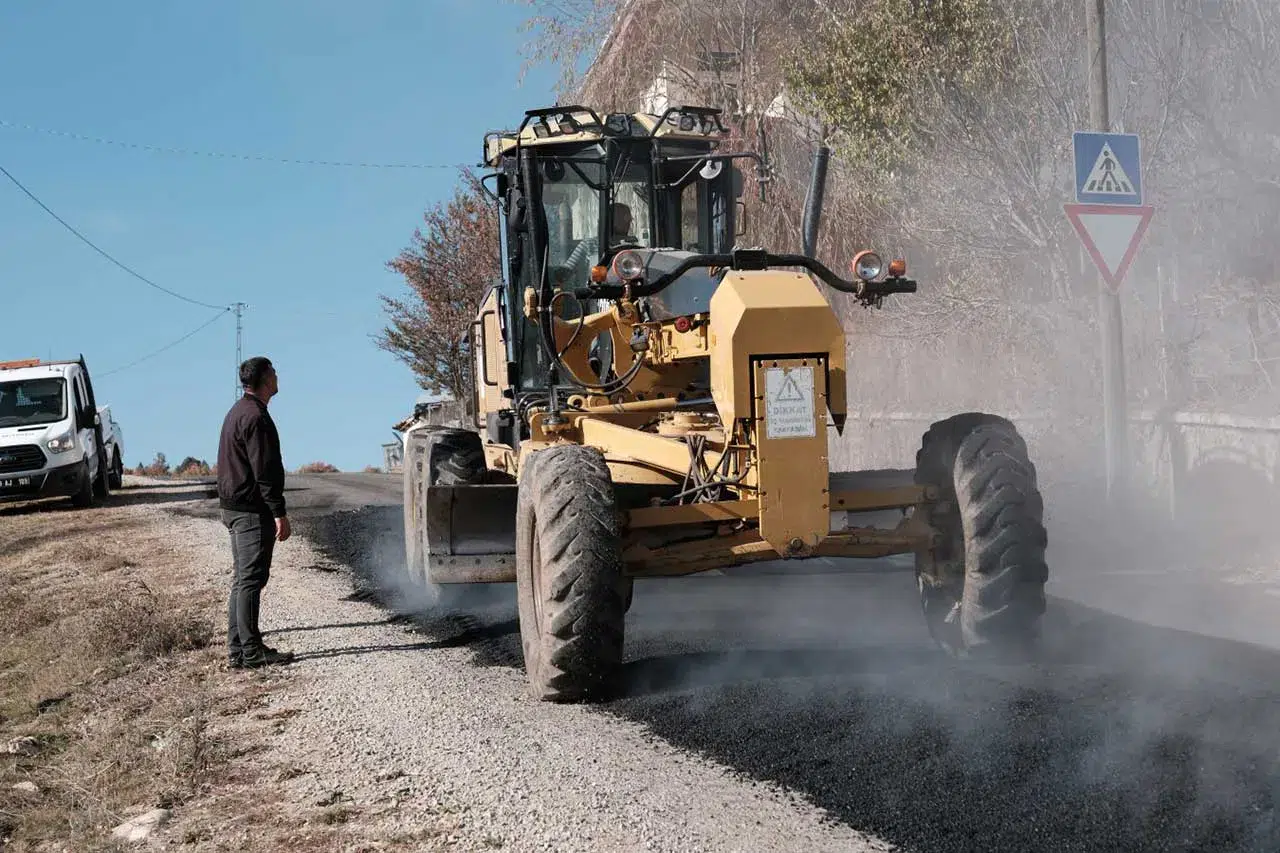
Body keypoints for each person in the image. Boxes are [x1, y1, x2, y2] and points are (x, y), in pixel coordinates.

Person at [217, 356, 295, 669]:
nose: (277, 377)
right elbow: (264, 470)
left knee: (243, 579)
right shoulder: (255, 417)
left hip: (234, 507)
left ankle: (238, 649)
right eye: (274, 372)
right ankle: (250, 651)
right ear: (264, 379)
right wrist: (279, 511)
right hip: (250, 510)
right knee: (251, 579)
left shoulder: (239, 411)